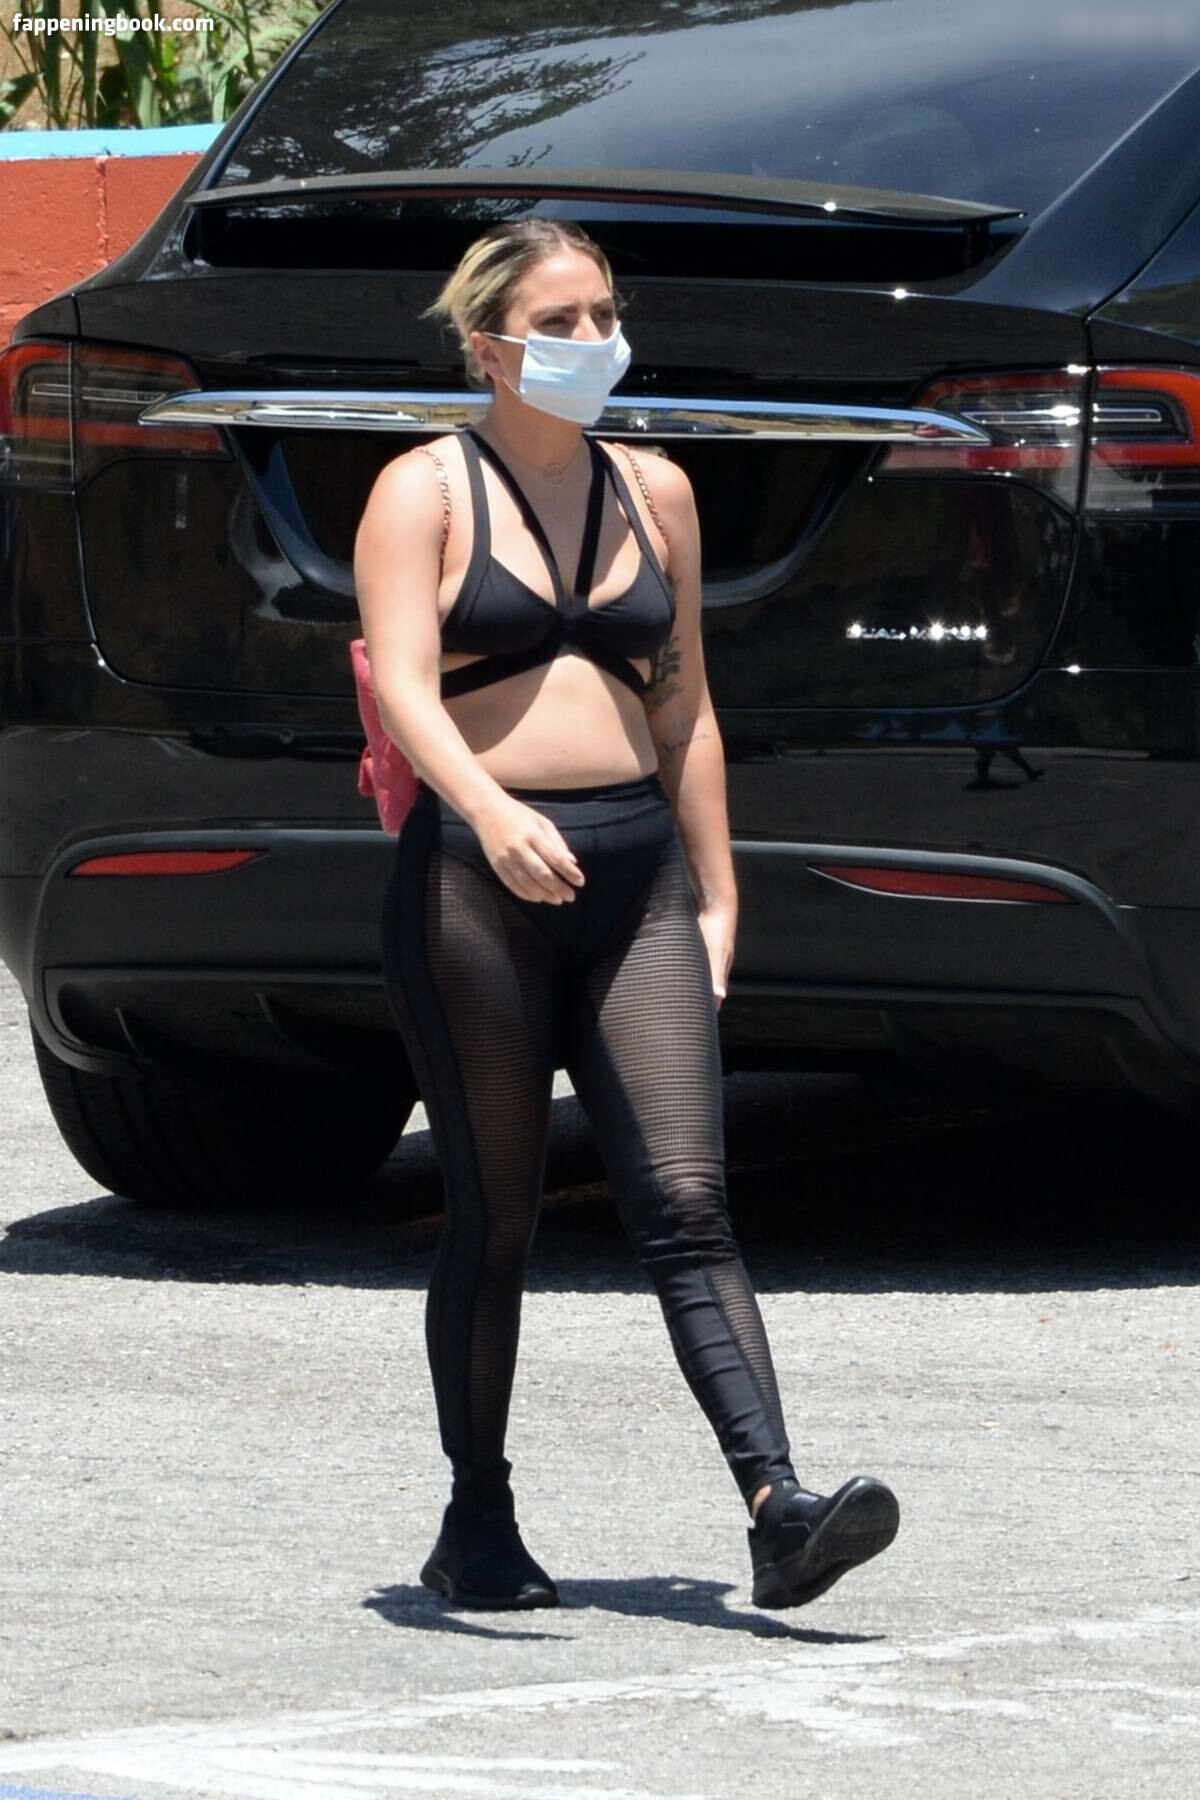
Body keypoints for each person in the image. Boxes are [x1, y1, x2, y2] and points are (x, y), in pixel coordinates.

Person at [354, 218, 899, 1612]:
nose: (597, 340)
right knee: (497, 1216)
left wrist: (720, 891)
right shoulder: (424, 490)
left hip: (636, 866)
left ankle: (779, 1508)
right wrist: (489, 809)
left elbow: (686, 704)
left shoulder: (656, 490)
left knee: (690, 1201)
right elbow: (407, 686)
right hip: (476, 878)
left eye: (604, 313)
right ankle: (477, 1519)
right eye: (563, 320)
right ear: (490, 346)